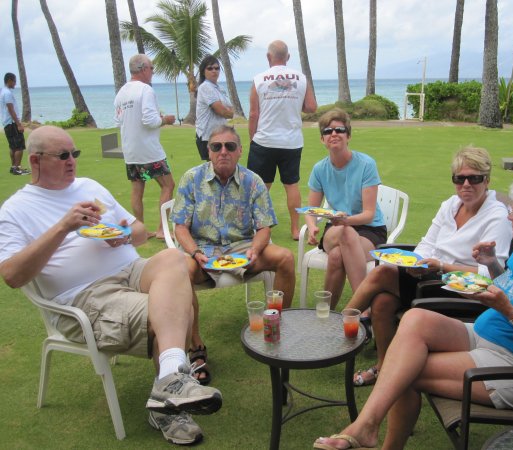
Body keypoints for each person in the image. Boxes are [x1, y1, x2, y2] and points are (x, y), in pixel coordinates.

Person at [314, 167, 513, 450]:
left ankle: (368, 429)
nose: (510, 216)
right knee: (415, 318)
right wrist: (492, 264)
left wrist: (508, 311)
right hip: (488, 336)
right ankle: (367, 427)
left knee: (403, 371)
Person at [0, 126, 222, 446]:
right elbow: (11, 275)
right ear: (35, 160)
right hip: (86, 295)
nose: (72, 161)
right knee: (176, 308)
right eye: (62, 155)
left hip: (130, 270)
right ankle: (169, 400)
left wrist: (124, 235)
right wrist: (63, 227)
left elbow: (140, 231)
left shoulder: (88, 187)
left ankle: (169, 380)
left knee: (174, 258)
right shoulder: (16, 210)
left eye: (74, 153)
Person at [348, 147, 513, 387]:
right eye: (459, 178)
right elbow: (427, 244)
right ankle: (383, 367)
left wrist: (441, 266)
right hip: (430, 276)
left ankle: (340, 327)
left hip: (460, 289)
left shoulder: (497, 216)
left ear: (487, 180)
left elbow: (491, 275)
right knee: (382, 302)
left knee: (382, 272)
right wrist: (417, 263)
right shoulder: (451, 205)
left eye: (474, 178)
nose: (466, 184)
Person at [171, 124, 296, 308]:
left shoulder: (253, 181)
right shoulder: (191, 178)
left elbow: (264, 227)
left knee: (286, 257)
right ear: (209, 151)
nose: (223, 152)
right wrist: (195, 252)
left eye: (230, 146)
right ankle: (191, 327)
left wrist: (255, 249)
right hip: (202, 250)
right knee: (180, 271)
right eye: (216, 146)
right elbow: (180, 227)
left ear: (239, 151)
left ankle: (277, 319)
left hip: (243, 250)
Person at [305, 108, 388, 311]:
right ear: (322, 139)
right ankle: (363, 309)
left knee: (337, 255)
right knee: (345, 232)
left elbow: (369, 214)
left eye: (339, 130)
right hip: (336, 228)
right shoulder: (319, 169)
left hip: (369, 229)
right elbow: (311, 209)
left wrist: (345, 221)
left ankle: (326, 312)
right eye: (327, 131)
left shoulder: (366, 164)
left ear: (348, 136)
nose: (333, 134)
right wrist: (312, 227)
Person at [247, 39, 317, 240]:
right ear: (288, 57)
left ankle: (256, 227)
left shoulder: (259, 79)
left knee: (260, 186)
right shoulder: (301, 78)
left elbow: (253, 113)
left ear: (268, 57)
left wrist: (252, 139)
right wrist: (295, 103)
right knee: (291, 185)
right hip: (291, 142)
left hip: (264, 141)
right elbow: (311, 107)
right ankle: (295, 229)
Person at [114, 54, 176, 239]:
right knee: (168, 185)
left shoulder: (121, 93)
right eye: (151, 68)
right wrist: (165, 120)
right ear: (143, 69)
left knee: (137, 188)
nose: (152, 72)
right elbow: (149, 121)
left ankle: (139, 230)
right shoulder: (145, 90)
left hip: (131, 151)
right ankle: (162, 230)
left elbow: (118, 120)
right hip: (149, 152)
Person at [195, 56, 234, 161]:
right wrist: (227, 111)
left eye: (217, 68)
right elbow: (222, 111)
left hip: (220, 135)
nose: (214, 71)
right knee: (214, 167)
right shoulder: (205, 87)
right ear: (203, 71)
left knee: (222, 167)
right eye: (210, 68)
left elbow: (231, 110)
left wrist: (227, 111)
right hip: (208, 136)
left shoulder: (219, 88)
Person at [1, 72, 30, 175]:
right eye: (14, 81)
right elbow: (11, 109)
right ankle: (17, 168)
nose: (15, 83)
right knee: (19, 146)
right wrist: (19, 124)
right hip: (12, 123)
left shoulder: (3, 91)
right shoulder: (7, 93)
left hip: (7, 123)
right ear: (9, 80)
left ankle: (14, 167)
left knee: (13, 146)